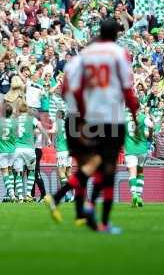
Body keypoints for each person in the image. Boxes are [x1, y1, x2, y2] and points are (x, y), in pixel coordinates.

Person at [47, 18, 140, 234]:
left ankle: (77, 207)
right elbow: (128, 90)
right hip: (112, 118)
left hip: (88, 117)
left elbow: (68, 90)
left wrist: (80, 113)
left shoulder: (83, 57)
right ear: (116, 34)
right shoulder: (119, 54)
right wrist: (134, 116)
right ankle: (101, 220)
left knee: (90, 164)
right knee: (107, 169)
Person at [13, 101, 46, 202]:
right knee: (30, 172)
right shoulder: (32, 122)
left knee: (29, 172)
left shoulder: (22, 121)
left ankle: (37, 194)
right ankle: (29, 195)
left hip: (29, 149)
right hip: (31, 149)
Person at [124, 109, 153, 208]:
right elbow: (151, 125)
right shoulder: (143, 117)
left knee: (132, 172)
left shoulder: (124, 117)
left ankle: (134, 195)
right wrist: (148, 135)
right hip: (142, 149)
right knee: (140, 172)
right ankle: (139, 196)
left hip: (130, 149)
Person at [0, 103, 16, 202]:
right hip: (12, 150)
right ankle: (10, 194)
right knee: (10, 171)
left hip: (1, 151)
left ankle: (11, 194)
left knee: (5, 173)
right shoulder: (15, 123)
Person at [49, 110, 73, 202]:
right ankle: (75, 194)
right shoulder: (67, 124)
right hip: (69, 151)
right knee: (69, 173)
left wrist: (44, 130)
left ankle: (67, 194)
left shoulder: (57, 122)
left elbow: (53, 131)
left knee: (61, 172)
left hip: (62, 151)